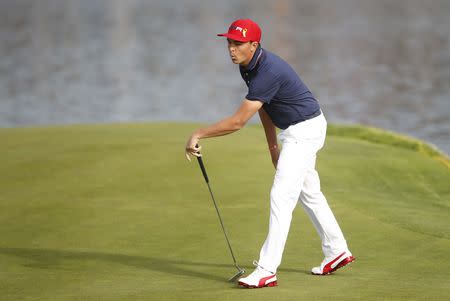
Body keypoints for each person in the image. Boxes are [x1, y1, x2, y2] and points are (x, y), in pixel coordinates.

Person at [185, 19, 355, 288]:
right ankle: (337, 250)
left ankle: (266, 269)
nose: (231, 48)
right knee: (308, 192)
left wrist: (198, 134)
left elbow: (238, 122)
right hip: (296, 130)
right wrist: (273, 147)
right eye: (229, 42)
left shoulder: (268, 71)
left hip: (304, 131)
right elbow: (263, 106)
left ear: (254, 45)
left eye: (237, 43)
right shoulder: (248, 66)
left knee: (281, 196)